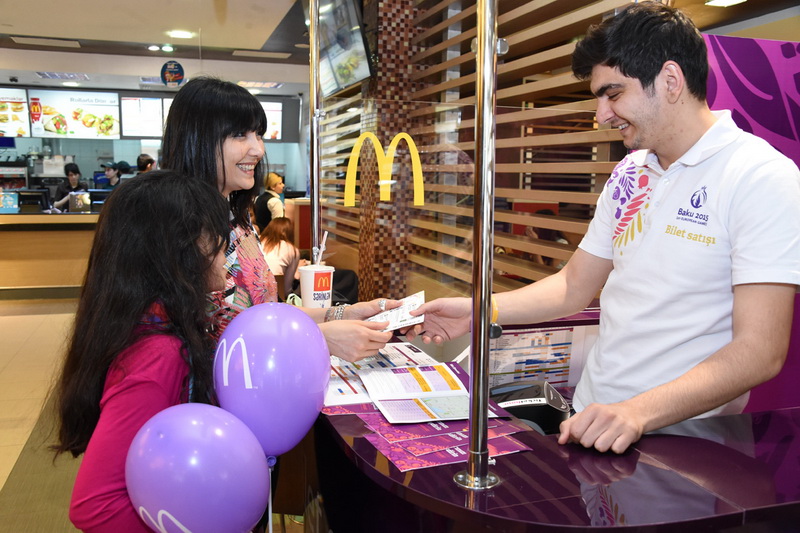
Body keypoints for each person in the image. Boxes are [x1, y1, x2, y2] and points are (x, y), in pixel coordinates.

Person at [407, 2, 800, 454]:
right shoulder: (631, 171)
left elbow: (761, 349)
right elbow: (574, 285)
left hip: (683, 442)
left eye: (613, 94)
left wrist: (638, 411)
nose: (601, 115)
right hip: (595, 422)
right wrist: (481, 310)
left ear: (670, 81)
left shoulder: (759, 175)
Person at [160, 76, 396, 363]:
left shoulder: (238, 220)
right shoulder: (179, 228)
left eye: (258, 135)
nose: (258, 149)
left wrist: (345, 312)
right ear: (197, 139)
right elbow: (204, 341)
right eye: (239, 135)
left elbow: (268, 313)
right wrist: (321, 337)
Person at [52, 171, 231, 532]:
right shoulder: (158, 354)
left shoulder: (147, 322)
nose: (227, 254)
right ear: (185, 246)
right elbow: (95, 505)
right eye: (219, 240)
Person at [260, 217, 300, 300]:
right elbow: (286, 290)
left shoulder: (257, 241)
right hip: (275, 297)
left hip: (251, 294)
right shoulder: (292, 249)